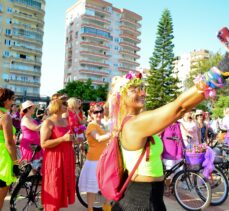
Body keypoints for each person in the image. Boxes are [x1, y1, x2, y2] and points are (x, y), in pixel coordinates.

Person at [108, 45, 229, 210]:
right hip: (139, 201)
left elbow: (181, 110)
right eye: (134, 90)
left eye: (142, 88)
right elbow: (178, 108)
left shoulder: (138, 121)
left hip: (153, 198)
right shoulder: (134, 123)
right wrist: (222, 69)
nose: (142, 93)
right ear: (121, 97)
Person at [40, 98, 76, 211]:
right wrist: (63, 139)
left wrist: (73, 139)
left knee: (61, 190)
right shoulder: (48, 122)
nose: (66, 106)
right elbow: (44, 143)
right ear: (57, 106)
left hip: (66, 159)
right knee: (54, 187)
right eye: (64, 104)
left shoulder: (65, 121)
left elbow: (67, 139)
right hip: (54, 160)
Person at [78, 104, 111, 211]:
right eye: (96, 112)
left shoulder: (103, 125)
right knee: (91, 188)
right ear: (91, 114)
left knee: (107, 185)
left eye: (100, 111)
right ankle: (90, 208)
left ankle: (107, 206)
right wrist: (113, 133)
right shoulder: (92, 125)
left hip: (105, 159)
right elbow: (99, 138)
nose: (99, 114)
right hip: (94, 160)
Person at [0, 88, 18, 210]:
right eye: (12, 99)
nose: (13, 102)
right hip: (2, 157)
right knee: (1, 196)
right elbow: (9, 143)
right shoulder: (5, 117)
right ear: (6, 100)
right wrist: (16, 163)